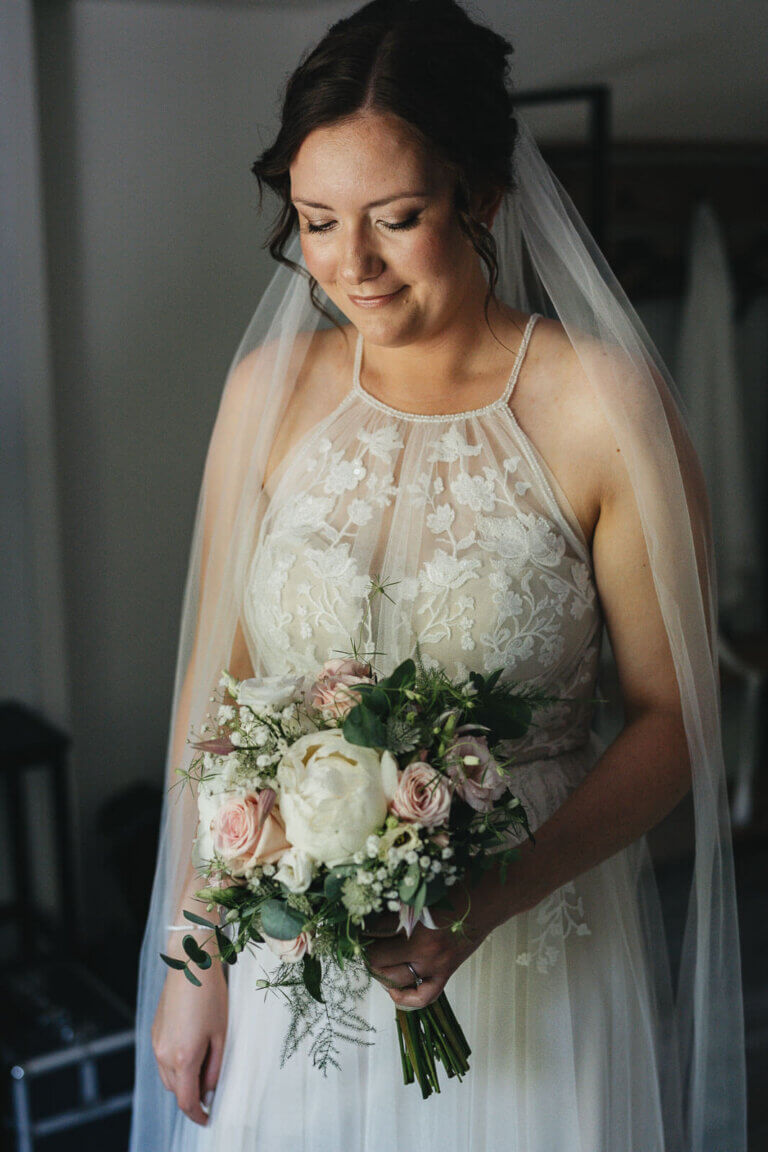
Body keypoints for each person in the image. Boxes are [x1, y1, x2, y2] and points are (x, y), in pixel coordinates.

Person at [131, 2, 746, 1150]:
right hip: (295, 964)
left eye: (396, 218)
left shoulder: (604, 407)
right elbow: (215, 700)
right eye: (317, 221)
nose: (350, 265)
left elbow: (678, 721)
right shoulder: (267, 392)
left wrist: (489, 895)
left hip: (535, 945)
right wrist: (196, 954)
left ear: (485, 196)